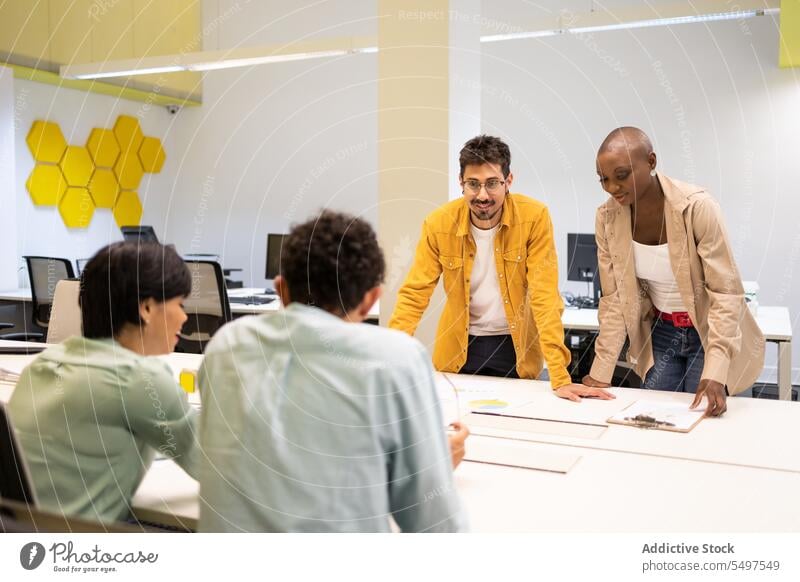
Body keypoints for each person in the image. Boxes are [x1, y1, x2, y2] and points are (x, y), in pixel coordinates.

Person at [197, 210, 467, 532]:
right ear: (371, 300)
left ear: (280, 290)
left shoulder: (226, 347)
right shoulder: (395, 360)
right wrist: (429, 464)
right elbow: (435, 525)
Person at [389, 135, 611, 401]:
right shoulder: (439, 224)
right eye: (473, 184)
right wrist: (389, 364)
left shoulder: (533, 217)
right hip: (459, 349)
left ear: (509, 181)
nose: (482, 195)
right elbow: (414, 295)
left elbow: (545, 298)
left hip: (514, 349)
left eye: (492, 183)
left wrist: (560, 376)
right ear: (461, 183)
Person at [9, 242, 200, 523]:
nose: (185, 317)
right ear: (146, 307)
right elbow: (219, 468)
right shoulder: (142, 379)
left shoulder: (41, 364)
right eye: (180, 304)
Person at [582, 127, 765, 416]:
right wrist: (601, 373)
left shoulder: (697, 207)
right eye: (604, 179)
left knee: (703, 422)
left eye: (622, 175)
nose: (612, 187)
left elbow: (726, 294)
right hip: (661, 332)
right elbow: (615, 300)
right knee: (654, 419)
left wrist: (716, 370)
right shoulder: (607, 218)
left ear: (651, 162)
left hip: (708, 331)